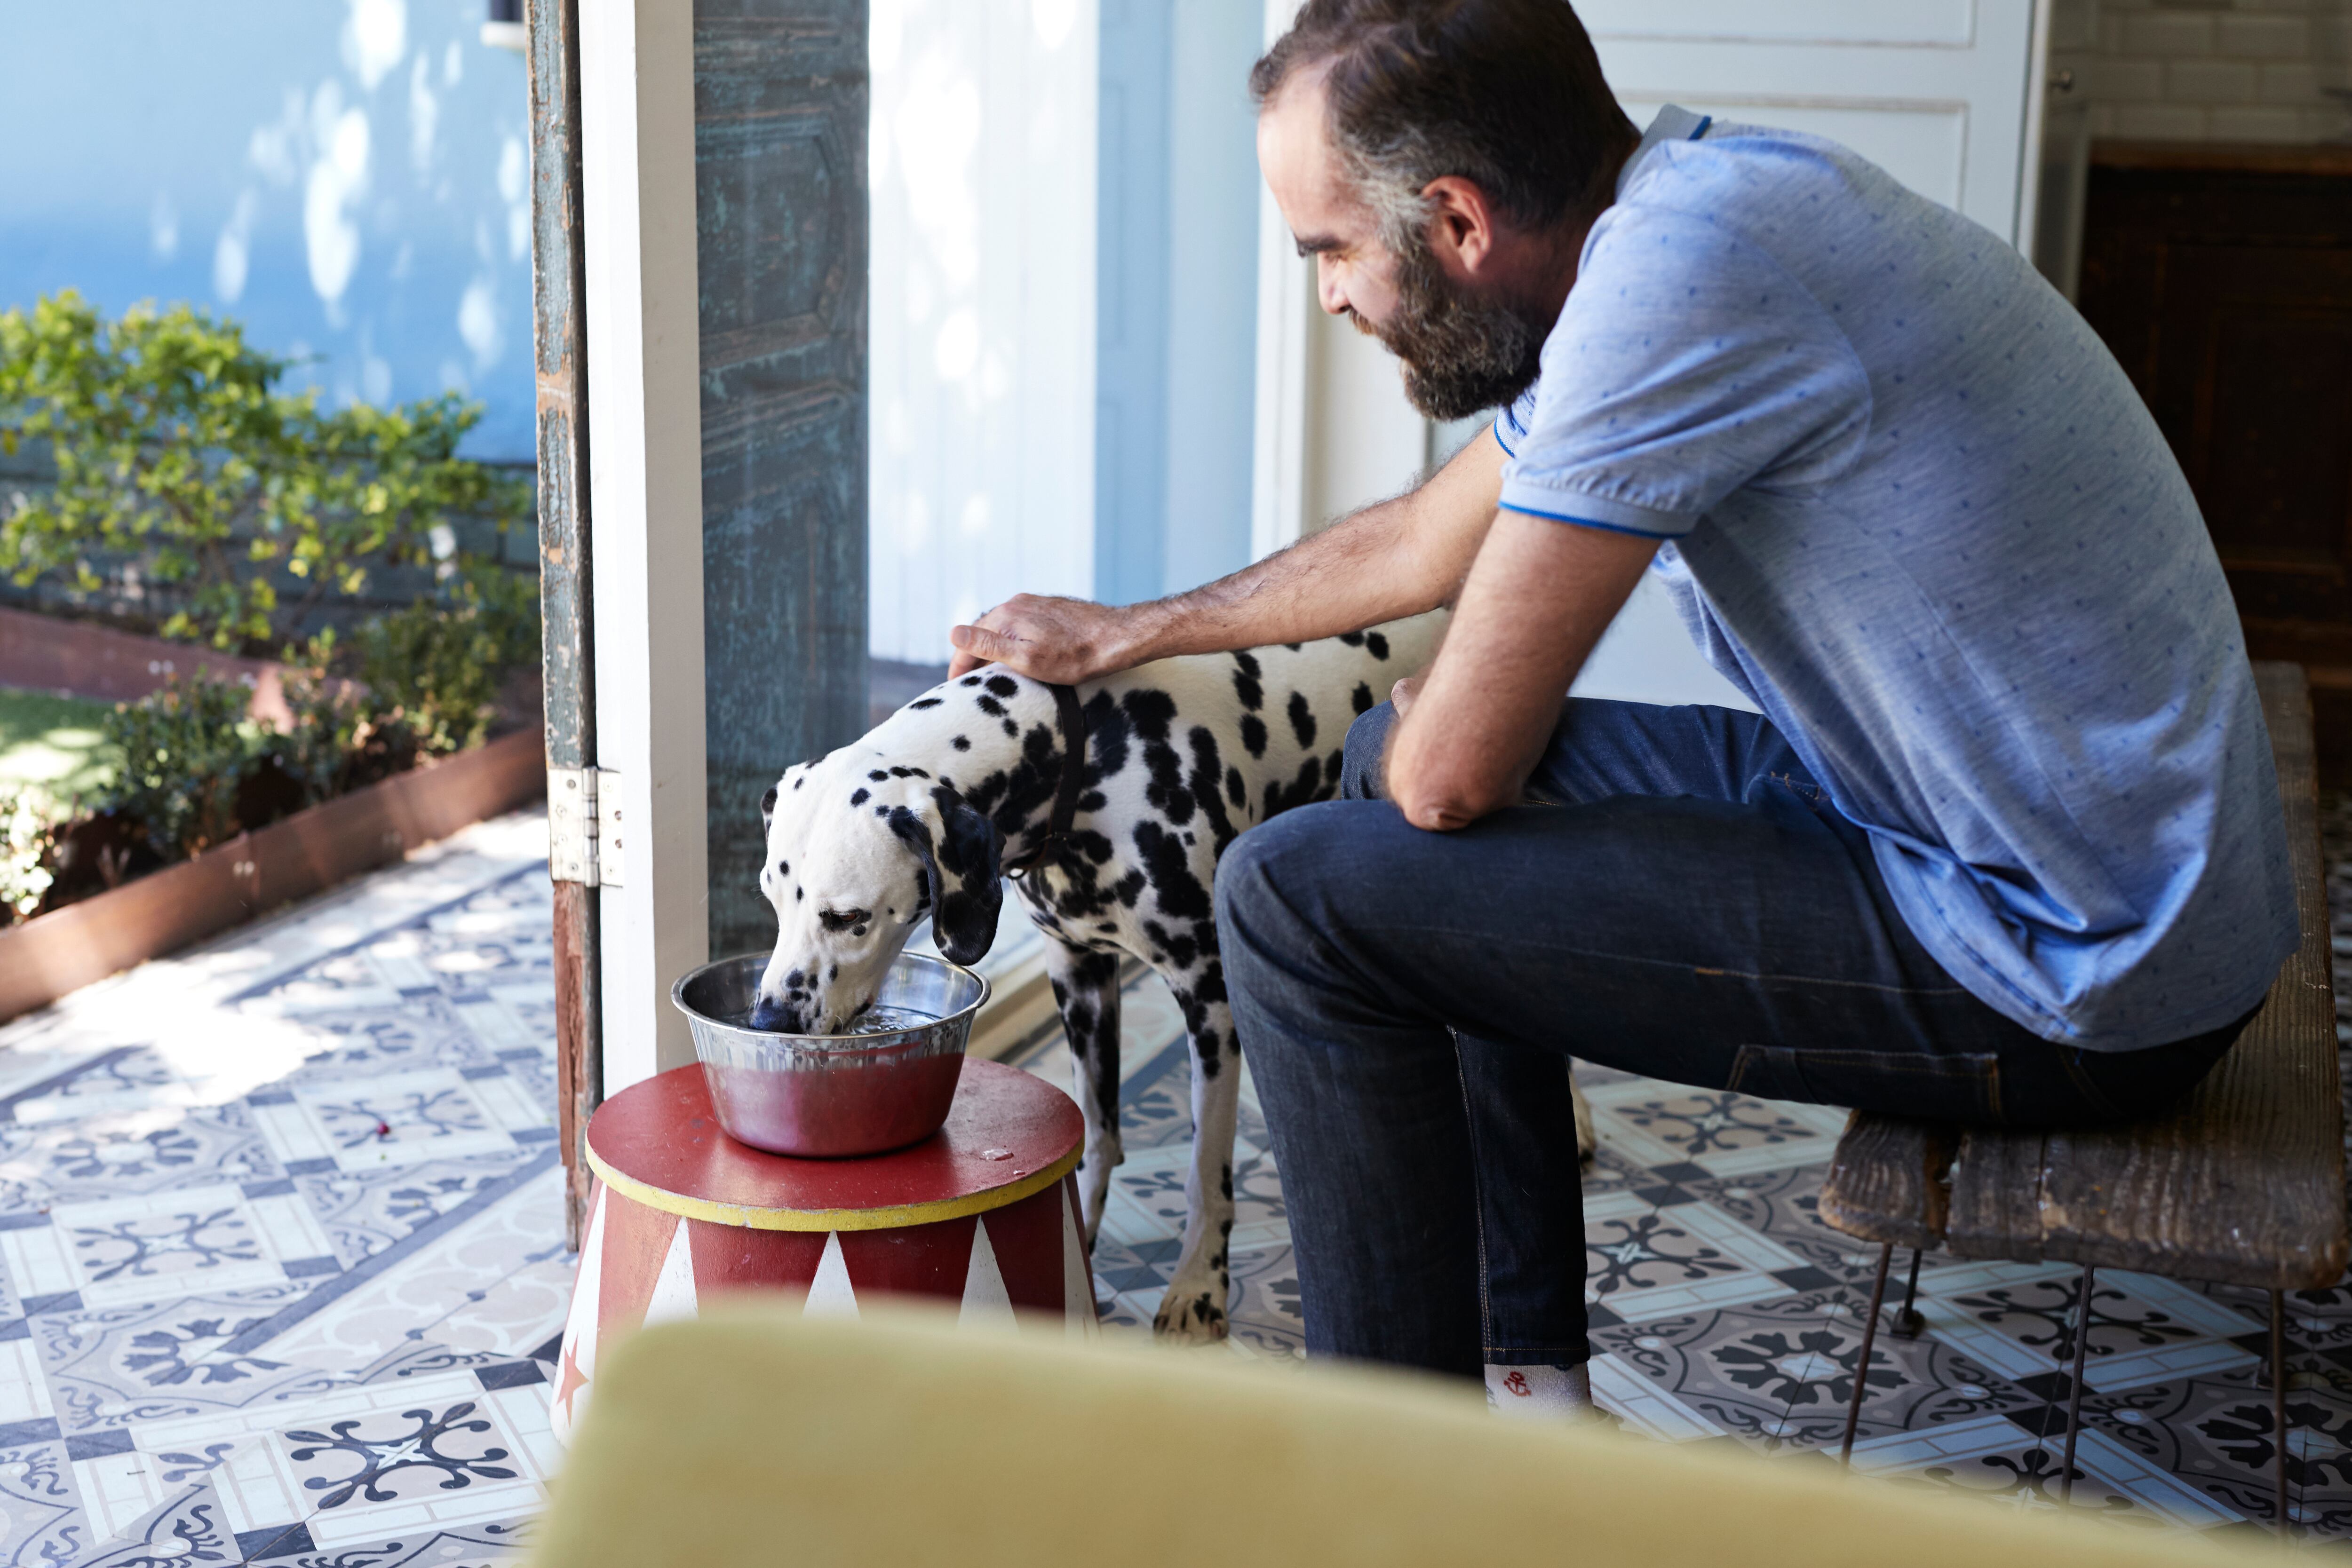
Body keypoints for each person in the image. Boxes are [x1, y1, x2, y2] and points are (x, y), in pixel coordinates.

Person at [945, 0, 2296, 1415]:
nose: (1331, 296)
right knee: (1366, 765)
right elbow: (1421, 543)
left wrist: (1436, 740)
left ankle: (1386, 1476)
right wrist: (1125, 633)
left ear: (1457, 221)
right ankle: (1527, 1382)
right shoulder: (1694, 218)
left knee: (1297, 894)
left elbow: (1454, 777)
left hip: (2085, 959)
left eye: (1333, 248)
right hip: (2021, 842)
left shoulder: (1680, 284)